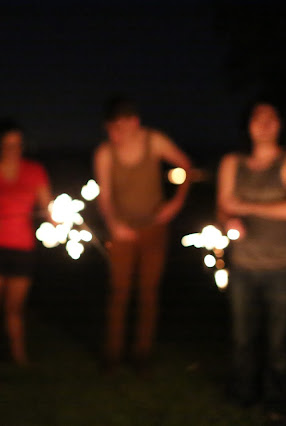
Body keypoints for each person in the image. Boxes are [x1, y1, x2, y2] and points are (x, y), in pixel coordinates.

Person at [216, 99, 286, 421]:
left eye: (272, 116)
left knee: (278, 340)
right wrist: (229, 218)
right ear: (248, 125)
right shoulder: (232, 163)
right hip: (243, 265)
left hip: (283, 265)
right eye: (258, 116)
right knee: (242, 337)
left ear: (280, 124)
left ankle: (276, 399)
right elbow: (223, 205)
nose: (265, 122)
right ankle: (244, 392)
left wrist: (243, 206)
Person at [93, 95, 192, 374]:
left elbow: (184, 165)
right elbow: (106, 195)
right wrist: (113, 224)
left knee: (148, 293)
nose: (116, 135)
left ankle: (142, 356)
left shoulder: (154, 141)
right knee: (119, 292)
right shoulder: (105, 153)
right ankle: (112, 356)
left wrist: (175, 203)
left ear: (134, 123)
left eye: (120, 128)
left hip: (154, 229)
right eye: (111, 129)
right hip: (122, 230)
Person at [0, 119, 52, 381]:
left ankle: (19, 358)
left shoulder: (35, 171)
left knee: (14, 309)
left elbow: (48, 208)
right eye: (7, 145)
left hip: (22, 248)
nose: (12, 149)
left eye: (17, 145)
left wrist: (61, 219)